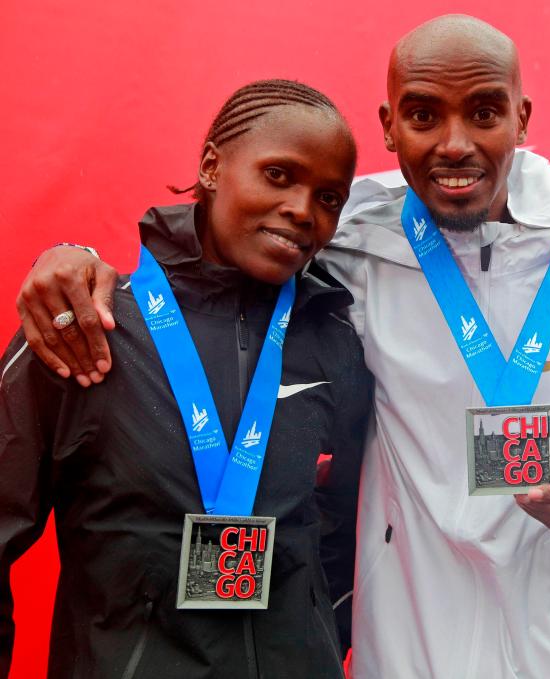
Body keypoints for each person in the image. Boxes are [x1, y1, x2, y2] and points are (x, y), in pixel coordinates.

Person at [16, 16, 550, 679]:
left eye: (484, 112)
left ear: (522, 119)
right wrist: (75, 257)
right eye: (423, 116)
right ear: (390, 126)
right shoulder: (350, 242)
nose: (453, 144)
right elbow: (222, 239)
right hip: (411, 645)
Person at [1, 79, 371, 678]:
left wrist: (317, 636)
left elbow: (350, 519)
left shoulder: (332, 341)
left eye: (329, 197)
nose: (304, 211)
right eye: (279, 175)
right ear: (211, 165)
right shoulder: (88, 324)